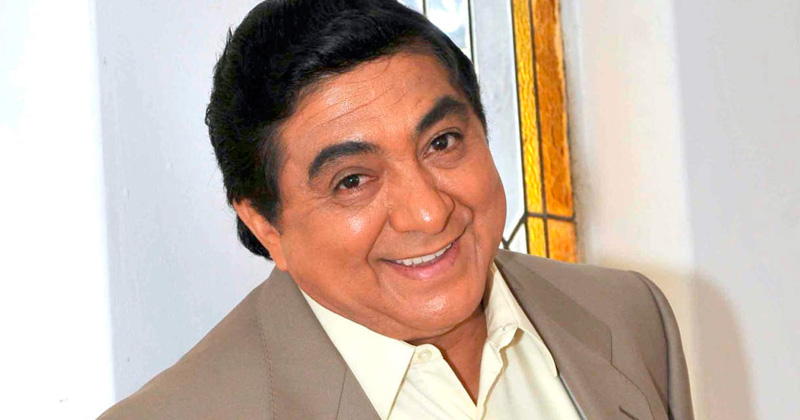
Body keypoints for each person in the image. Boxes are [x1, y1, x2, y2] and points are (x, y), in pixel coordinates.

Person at [99, 0, 693, 419]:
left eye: (442, 143)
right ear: (265, 225)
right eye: (353, 180)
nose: (428, 212)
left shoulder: (628, 316)